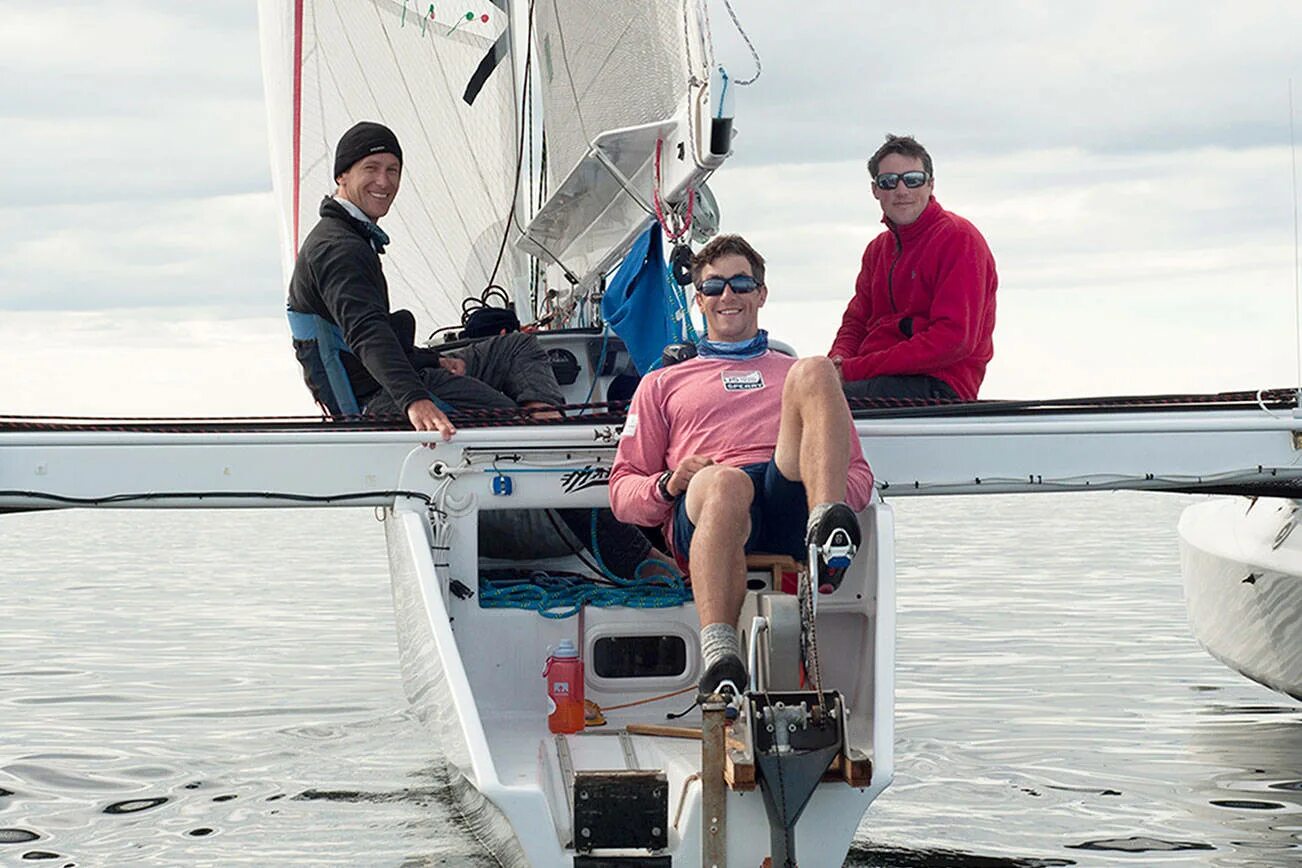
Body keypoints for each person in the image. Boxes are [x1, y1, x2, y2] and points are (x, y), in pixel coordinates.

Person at [609, 234, 875, 697]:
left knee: (816, 369)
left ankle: (828, 533)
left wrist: (826, 490)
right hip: (710, 505)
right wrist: (670, 484)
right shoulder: (661, 383)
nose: (727, 296)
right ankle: (721, 654)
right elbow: (622, 492)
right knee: (726, 482)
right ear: (699, 300)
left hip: (787, 500)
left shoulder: (789, 372)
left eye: (740, 283)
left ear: (761, 294)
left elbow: (860, 476)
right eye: (713, 287)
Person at [286, 121, 564, 439]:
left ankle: (548, 422)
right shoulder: (338, 248)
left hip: (401, 373)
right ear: (342, 175)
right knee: (510, 421)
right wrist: (415, 401)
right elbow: (366, 332)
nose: (384, 181)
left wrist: (434, 359)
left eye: (393, 170)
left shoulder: (351, 236)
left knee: (517, 346)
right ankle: (546, 438)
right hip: (381, 400)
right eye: (371, 168)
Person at [830, 134, 998, 402]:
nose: (901, 190)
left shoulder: (958, 239)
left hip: (938, 387)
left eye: (912, 179)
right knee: (801, 390)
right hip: (876, 380)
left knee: (817, 403)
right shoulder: (877, 251)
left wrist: (851, 370)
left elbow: (953, 340)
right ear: (875, 190)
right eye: (888, 182)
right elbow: (855, 323)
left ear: (930, 184)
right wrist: (835, 363)